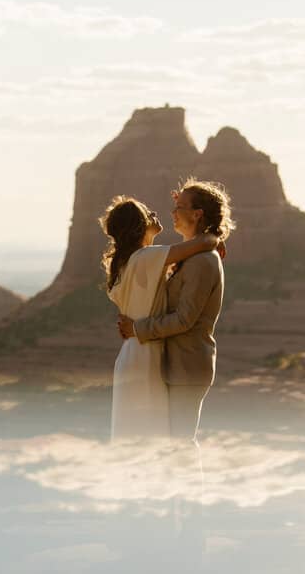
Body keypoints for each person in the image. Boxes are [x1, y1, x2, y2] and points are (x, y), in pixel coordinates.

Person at [117, 178, 234, 442]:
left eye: (179, 207)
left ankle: (193, 485)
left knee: (181, 444)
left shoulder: (203, 261)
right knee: (168, 444)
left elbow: (184, 319)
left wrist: (136, 329)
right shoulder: (192, 256)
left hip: (187, 368)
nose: (173, 212)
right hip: (173, 365)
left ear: (197, 214)